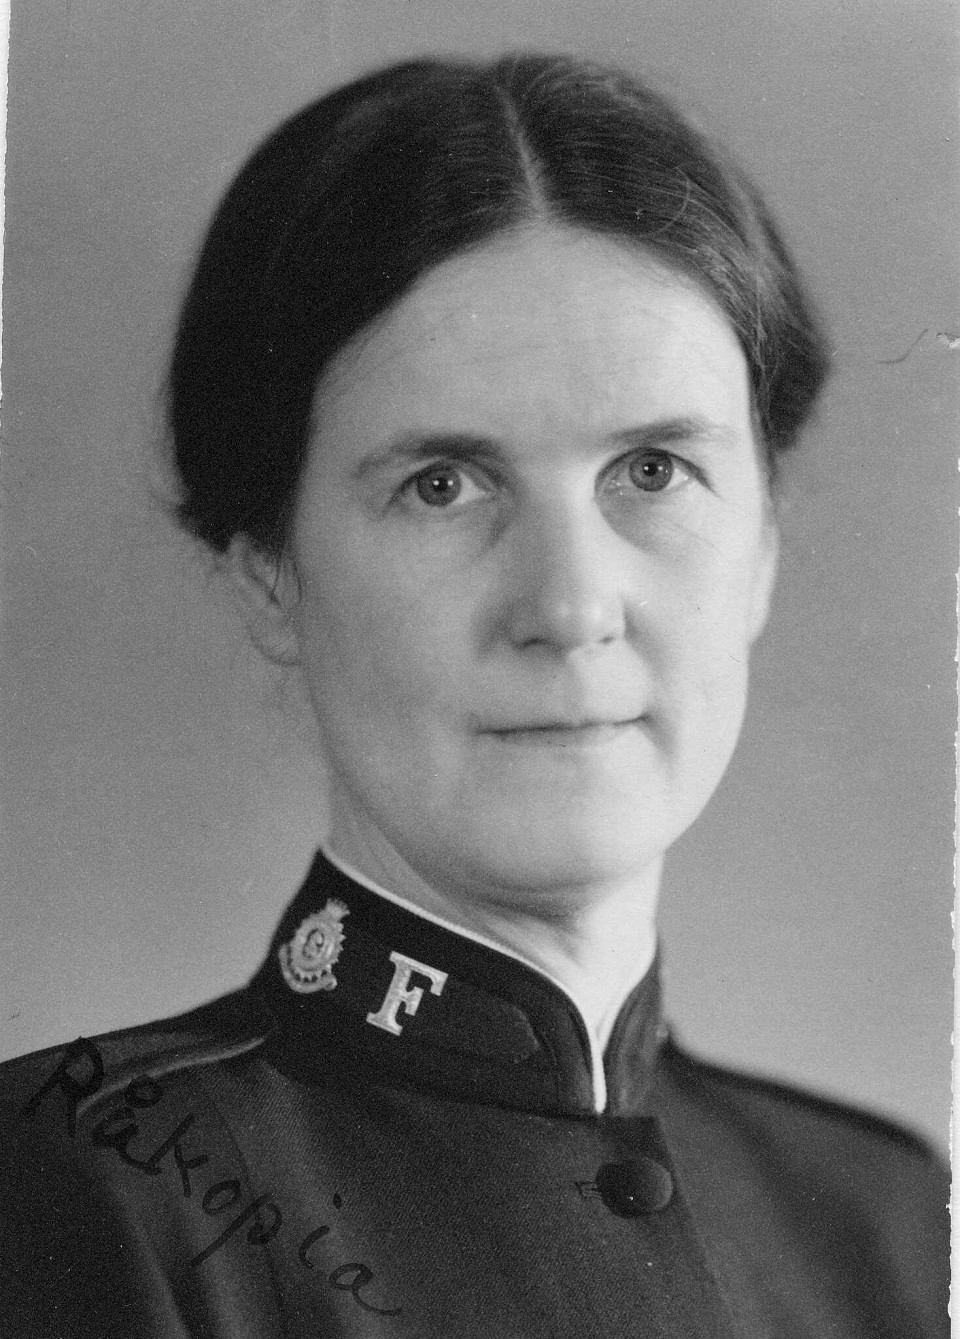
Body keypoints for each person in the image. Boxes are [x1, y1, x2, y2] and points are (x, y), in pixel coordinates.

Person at [0, 52, 948, 1338]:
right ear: (269, 569)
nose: (569, 604)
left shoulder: (886, 1224)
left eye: (653, 470)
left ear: (765, 545)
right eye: (442, 484)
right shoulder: (82, 1193)